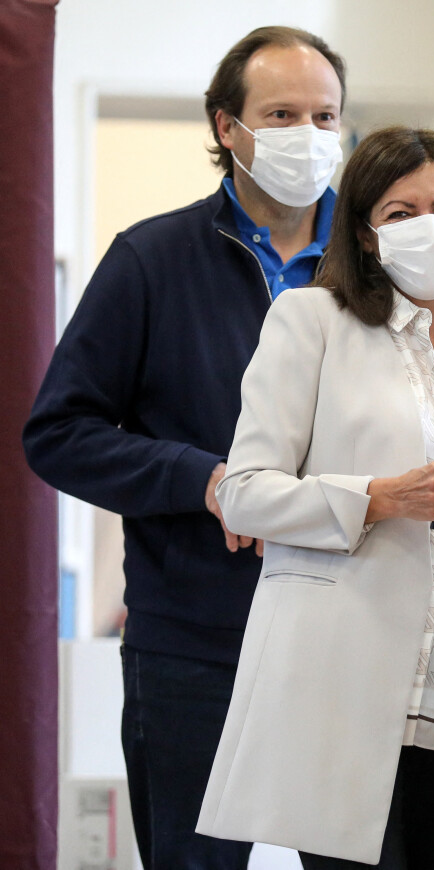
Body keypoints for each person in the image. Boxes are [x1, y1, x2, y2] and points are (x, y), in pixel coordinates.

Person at [196, 126, 434, 870]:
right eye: (400, 213)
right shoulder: (310, 322)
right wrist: (376, 496)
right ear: (367, 237)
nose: (428, 225)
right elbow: (242, 494)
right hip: (347, 690)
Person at [22, 25, 346, 870]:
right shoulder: (150, 261)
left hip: (353, 641)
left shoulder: (379, 265)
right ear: (225, 127)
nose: (307, 137)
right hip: (194, 645)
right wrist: (203, 481)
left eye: (324, 116)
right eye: (281, 113)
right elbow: (58, 434)